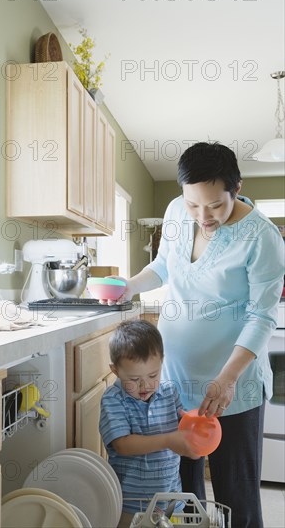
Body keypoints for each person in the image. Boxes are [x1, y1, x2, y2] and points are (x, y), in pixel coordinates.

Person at [106, 142, 284, 528]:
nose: (202, 216)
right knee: (180, 493)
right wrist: (128, 286)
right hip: (175, 381)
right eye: (192, 204)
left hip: (230, 388)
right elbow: (164, 266)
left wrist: (227, 380)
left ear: (236, 189)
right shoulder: (175, 211)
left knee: (236, 494)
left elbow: (262, 317)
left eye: (215, 206)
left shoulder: (262, 237)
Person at [99, 319, 199, 528]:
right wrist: (169, 440)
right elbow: (123, 445)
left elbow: (183, 431)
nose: (145, 385)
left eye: (153, 375)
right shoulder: (113, 399)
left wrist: (196, 432)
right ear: (115, 370)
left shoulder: (170, 392)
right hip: (130, 505)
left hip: (172, 500)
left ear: (162, 361)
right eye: (134, 379)